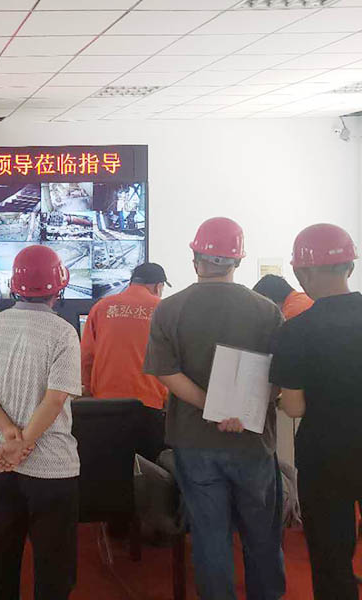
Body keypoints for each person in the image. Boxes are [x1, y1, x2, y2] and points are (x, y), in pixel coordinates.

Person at [144, 217, 285, 600]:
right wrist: (240, 409)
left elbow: (166, 372)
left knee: (210, 538)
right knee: (262, 535)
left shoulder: (169, 309)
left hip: (194, 442)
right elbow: (279, 377)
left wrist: (213, 406)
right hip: (252, 441)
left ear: (195, 258)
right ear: (238, 260)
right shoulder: (267, 310)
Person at [0, 244, 81, 600]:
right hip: (51, 467)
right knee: (53, 562)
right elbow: (56, 398)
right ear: (58, 289)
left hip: (0, 461)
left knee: (3, 549)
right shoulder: (63, 332)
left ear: (13, 287)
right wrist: (24, 443)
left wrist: (9, 435)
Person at [269, 224, 362, 600]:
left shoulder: (296, 331)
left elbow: (293, 407)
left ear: (301, 273)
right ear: (350, 267)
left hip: (325, 457)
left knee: (331, 558)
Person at [81, 262, 170, 461]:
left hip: (105, 406)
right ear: (158, 286)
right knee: (148, 469)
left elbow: (86, 356)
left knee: (109, 467)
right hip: (149, 404)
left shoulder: (101, 307)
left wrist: (89, 389)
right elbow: (171, 360)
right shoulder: (163, 310)